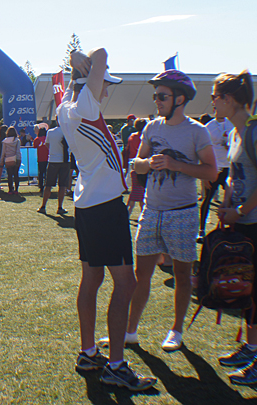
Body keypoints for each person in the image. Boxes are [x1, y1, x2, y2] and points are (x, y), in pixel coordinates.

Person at [61, 48, 156, 391]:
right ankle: (116, 365)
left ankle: (89, 352)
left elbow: (82, 82)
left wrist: (75, 64)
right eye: (103, 84)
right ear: (88, 85)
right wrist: (80, 58)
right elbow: (100, 54)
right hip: (104, 209)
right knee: (125, 283)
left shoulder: (66, 108)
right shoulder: (85, 107)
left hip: (90, 206)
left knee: (92, 280)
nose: (107, 89)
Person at [118, 71, 217, 354]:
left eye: (162, 96)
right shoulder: (150, 127)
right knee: (141, 274)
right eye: (155, 96)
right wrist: (148, 162)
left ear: (180, 98)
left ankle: (176, 330)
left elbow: (210, 171)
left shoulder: (198, 131)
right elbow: (137, 165)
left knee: (183, 274)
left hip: (183, 212)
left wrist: (176, 166)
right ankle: (130, 331)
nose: (156, 100)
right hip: (151, 210)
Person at [209, 71, 257, 385]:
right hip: (242, 223)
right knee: (247, 289)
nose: (212, 103)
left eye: (215, 97)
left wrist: (240, 210)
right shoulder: (234, 132)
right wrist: (227, 205)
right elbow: (234, 175)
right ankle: (252, 347)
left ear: (229, 99)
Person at [198, 114, 234, 241]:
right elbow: (201, 150)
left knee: (232, 199)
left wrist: (229, 146)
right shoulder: (209, 127)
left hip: (229, 168)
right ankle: (201, 230)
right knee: (207, 199)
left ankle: (230, 228)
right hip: (215, 168)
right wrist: (204, 176)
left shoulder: (231, 124)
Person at [38, 122, 70, 215]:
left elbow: (47, 144)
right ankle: (60, 207)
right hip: (65, 160)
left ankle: (43, 206)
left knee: (48, 185)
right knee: (62, 185)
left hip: (53, 160)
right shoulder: (68, 131)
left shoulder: (50, 132)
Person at [124, 119, 148, 216]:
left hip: (132, 161)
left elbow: (127, 148)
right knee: (142, 188)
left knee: (133, 187)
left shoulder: (132, 136)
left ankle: (128, 211)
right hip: (142, 162)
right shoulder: (145, 137)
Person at [0, 127, 22, 195]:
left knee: (9, 175)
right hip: (16, 158)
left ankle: (10, 190)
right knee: (16, 174)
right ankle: (16, 189)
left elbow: (3, 152)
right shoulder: (17, 140)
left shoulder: (5, 141)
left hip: (8, 159)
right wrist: (19, 158)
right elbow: (18, 151)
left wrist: (1, 160)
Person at [33, 127, 49, 196]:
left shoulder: (37, 139)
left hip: (40, 158)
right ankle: (47, 185)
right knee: (47, 173)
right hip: (48, 157)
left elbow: (34, 146)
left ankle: (41, 186)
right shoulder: (48, 139)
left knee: (41, 173)